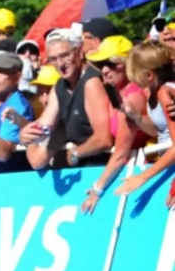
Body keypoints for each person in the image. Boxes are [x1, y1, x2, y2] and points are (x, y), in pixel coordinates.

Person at [19, 29, 113, 169]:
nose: (60, 63)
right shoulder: (59, 86)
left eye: (64, 55)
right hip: (83, 165)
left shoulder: (91, 82)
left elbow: (103, 139)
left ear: (79, 52)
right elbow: (43, 127)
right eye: (53, 59)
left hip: (102, 165)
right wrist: (25, 134)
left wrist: (76, 152)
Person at [81, 36, 151, 214]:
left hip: (138, 171)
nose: (104, 70)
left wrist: (97, 189)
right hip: (129, 170)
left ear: (126, 64)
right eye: (101, 64)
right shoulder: (121, 94)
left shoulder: (133, 97)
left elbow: (120, 153)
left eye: (111, 64)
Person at [115, 41, 175, 196]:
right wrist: (136, 116)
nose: (132, 81)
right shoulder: (155, 92)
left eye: (135, 76)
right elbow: (160, 131)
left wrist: (143, 177)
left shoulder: (164, 93)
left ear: (149, 75)